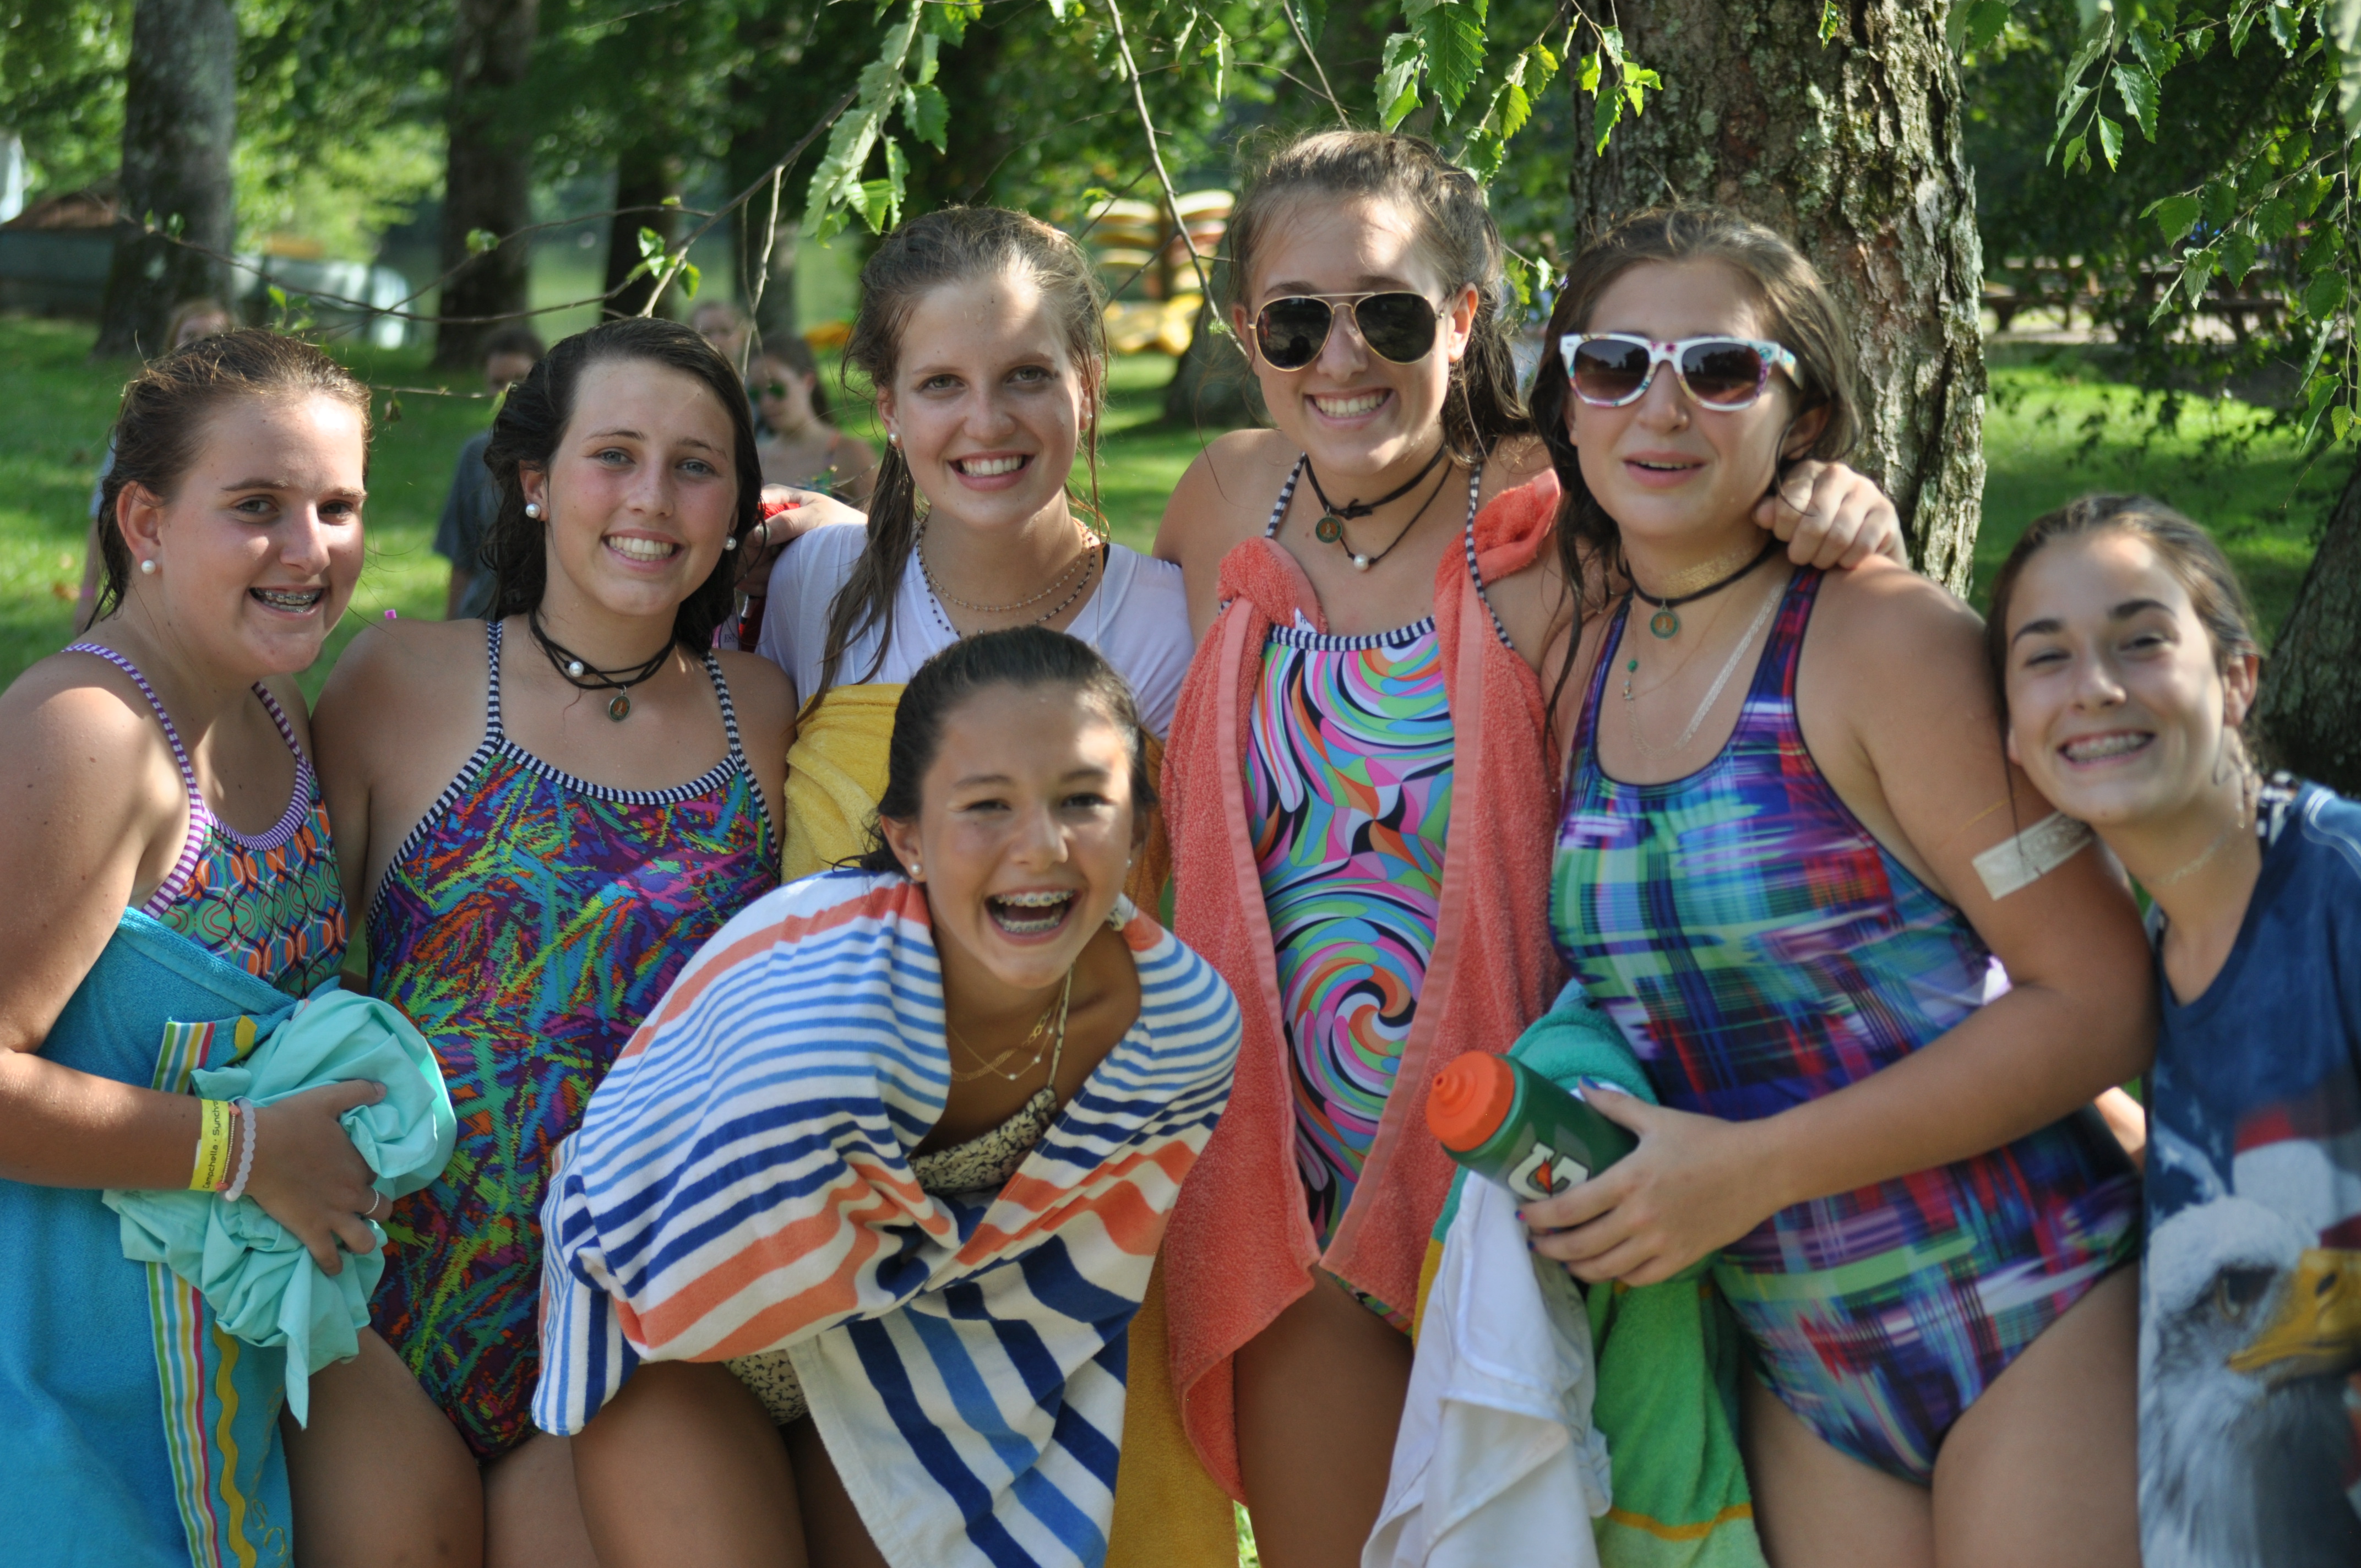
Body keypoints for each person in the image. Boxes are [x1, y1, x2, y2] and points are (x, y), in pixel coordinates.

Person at [1147, 132, 1905, 1567]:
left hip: (1525, 1162)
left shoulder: (1564, 511)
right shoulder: (1223, 500)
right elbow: (1057, 622)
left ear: (1464, 316)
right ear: (1245, 332)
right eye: (1295, 323)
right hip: (1288, 1192)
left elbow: (1739, 585)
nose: (1341, 359)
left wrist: (1837, 502)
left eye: (1387, 314)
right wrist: (799, 537)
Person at [1521, 207, 2152, 1567]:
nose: (1660, 406)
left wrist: (1746, 1170)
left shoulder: (1882, 639)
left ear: (1801, 415)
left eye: (1720, 369)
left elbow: (2101, 997)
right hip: (1804, 1370)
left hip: (2033, 1290)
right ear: (1565, 403)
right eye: (1614, 364)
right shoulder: (1576, 656)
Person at [535, 626, 1242, 1568]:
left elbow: (1059, 1286)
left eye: (1083, 800)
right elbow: (634, 1248)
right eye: (987, 805)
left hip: (913, 1353)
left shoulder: (1174, 1030)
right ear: (907, 839)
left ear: (1141, 827)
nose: (1041, 847)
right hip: (681, 1339)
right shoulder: (818, 1024)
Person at [290, 317, 794, 1567]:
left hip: (621, 1341)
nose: (652, 497)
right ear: (532, 477)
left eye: (695, 466)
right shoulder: (400, 676)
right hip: (381, 1304)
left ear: (736, 502)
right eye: (612, 454)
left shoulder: (765, 711)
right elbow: (284, 972)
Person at [0, 328, 380, 1565]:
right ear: (146, 521)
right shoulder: (88, 733)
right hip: (56, 1402)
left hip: (218, 1390)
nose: (308, 548)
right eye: (257, 506)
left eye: (337, 507)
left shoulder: (272, 700)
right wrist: (246, 1147)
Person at [1988, 495, 2361, 1567]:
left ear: (2235, 676)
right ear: (2011, 733)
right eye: (2044, 656)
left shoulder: (2336, 891)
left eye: (2140, 640)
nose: (2094, 687)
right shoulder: (2149, 949)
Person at [754, 206, 1192, 883]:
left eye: (1027, 374)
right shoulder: (814, 584)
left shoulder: (1171, 626)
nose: (986, 423)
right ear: (890, 409)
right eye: (941, 384)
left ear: (1086, 386)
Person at [76, 296, 242, 627]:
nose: (201, 347)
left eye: (214, 337)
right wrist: (87, 594)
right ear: (171, 343)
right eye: (190, 335)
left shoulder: (249, 423)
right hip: (154, 582)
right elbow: (103, 510)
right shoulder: (146, 418)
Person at [435, 328, 547, 620]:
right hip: (482, 620)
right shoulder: (476, 454)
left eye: (519, 380)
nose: (508, 392)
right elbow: (462, 555)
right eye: (497, 382)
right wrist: (451, 629)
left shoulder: (559, 454)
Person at [753, 334, 877, 501]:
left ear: (808, 382)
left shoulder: (849, 453)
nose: (766, 402)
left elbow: (880, 516)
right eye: (755, 393)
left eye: (777, 389)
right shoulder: (756, 462)